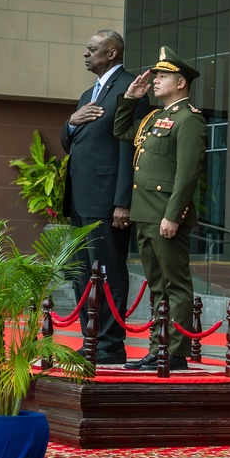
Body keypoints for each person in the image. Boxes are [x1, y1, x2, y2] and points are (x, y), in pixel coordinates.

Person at [114, 47, 207, 372]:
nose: (154, 81)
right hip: (145, 213)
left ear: (180, 82)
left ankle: (175, 351)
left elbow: (187, 173)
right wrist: (129, 98)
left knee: (175, 285)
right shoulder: (154, 117)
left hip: (166, 216)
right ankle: (158, 347)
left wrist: (173, 214)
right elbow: (122, 132)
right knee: (157, 285)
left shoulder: (189, 119)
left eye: (162, 76)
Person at [60, 30, 149, 365]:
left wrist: (123, 201)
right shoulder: (88, 94)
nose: (86, 53)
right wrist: (70, 122)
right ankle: (91, 339)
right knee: (82, 272)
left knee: (108, 270)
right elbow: (72, 142)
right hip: (80, 198)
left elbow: (131, 146)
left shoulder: (131, 88)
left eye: (92, 49)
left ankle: (110, 345)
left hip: (107, 198)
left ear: (112, 53)